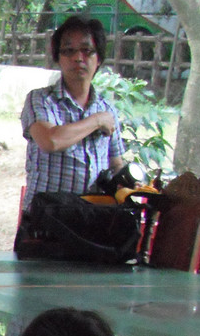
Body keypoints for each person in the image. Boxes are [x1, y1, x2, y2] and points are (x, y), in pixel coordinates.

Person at [21, 16, 126, 200]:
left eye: (87, 51)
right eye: (69, 51)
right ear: (58, 59)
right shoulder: (40, 99)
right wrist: (97, 121)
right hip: (47, 214)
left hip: (94, 214)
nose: (78, 58)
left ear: (99, 59)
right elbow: (50, 141)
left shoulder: (107, 109)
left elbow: (116, 163)